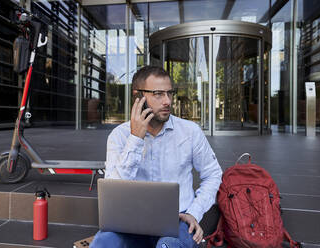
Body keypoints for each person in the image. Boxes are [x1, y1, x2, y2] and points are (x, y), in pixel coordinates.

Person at [90, 66, 222, 248]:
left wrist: (194, 212)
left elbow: (213, 174)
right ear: (138, 97)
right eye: (158, 94)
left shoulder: (190, 132)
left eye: (170, 93)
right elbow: (113, 188)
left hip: (179, 218)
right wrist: (135, 139)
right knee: (102, 243)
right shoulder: (119, 136)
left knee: (168, 245)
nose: (167, 101)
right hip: (131, 220)